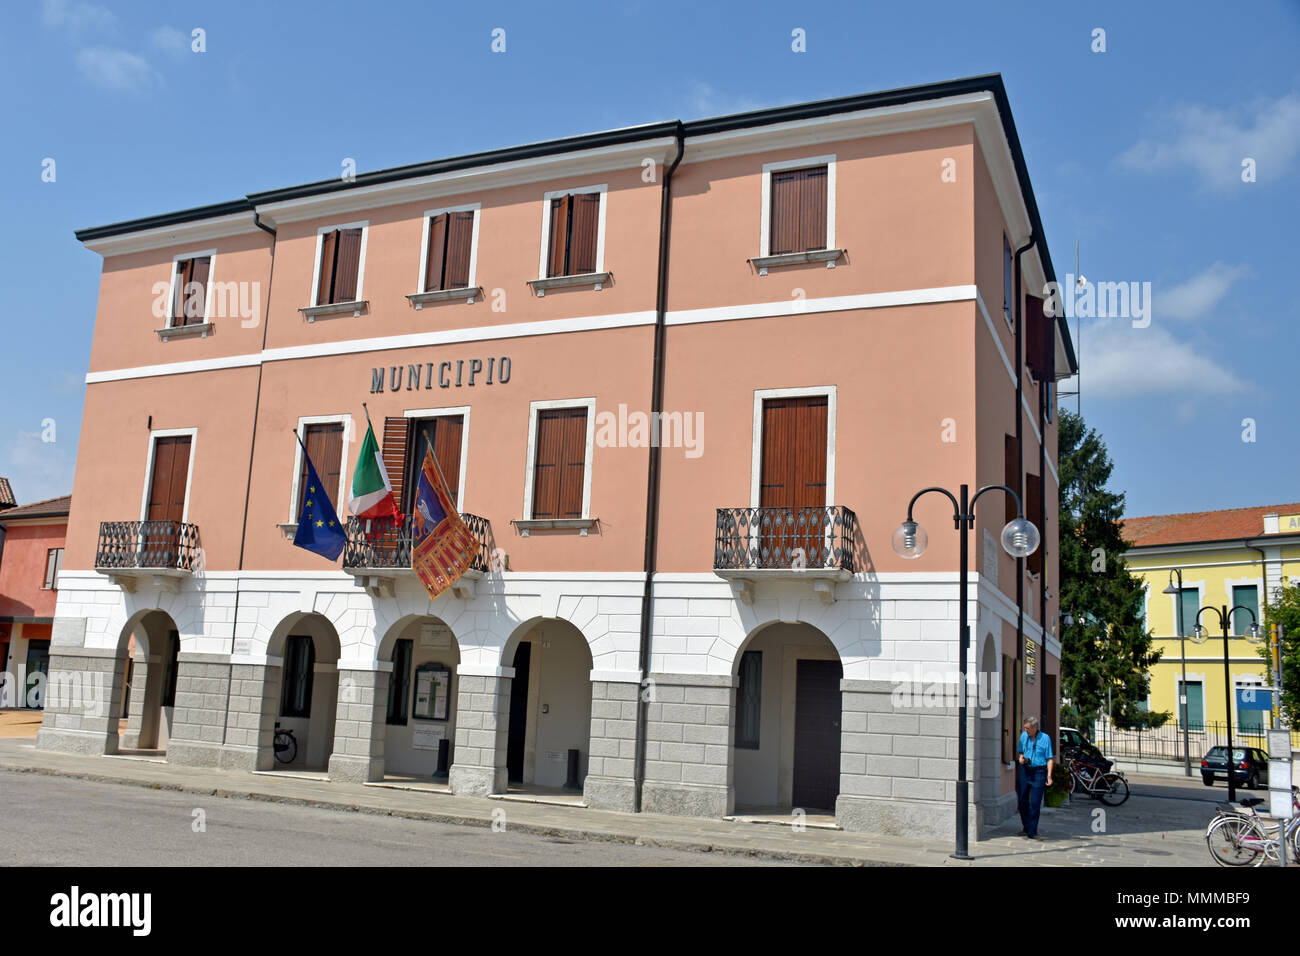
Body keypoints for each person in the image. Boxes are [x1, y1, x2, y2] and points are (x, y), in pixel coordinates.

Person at [1017, 715, 1054, 839]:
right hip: (1024, 771)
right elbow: (1021, 751)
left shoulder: (1045, 738)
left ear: (1035, 727)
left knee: (1035, 803)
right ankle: (1026, 826)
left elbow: (1049, 758)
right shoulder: (1023, 736)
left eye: (1028, 728)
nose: (1026, 731)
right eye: (1025, 728)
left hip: (1039, 772)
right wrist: (1021, 757)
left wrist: (1049, 776)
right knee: (1022, 800)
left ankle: (1032, 831)